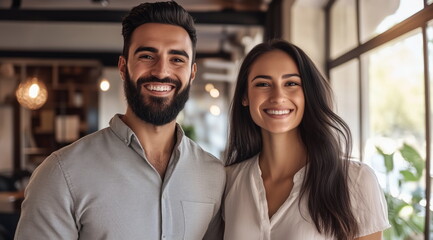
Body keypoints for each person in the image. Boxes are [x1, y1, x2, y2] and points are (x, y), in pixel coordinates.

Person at [14, 2, 225, 239]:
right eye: (147, 55)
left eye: (177, 59)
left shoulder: (214, 175)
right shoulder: (61, 174)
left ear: (192, 73)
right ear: (123, 67)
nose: (162, 71)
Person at [223, 39, 390, 240]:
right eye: (263, 84)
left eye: (291, 83)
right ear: (245, 97)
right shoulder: (228, 181)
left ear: (308, 94)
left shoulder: (355, 181)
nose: (278, 96)